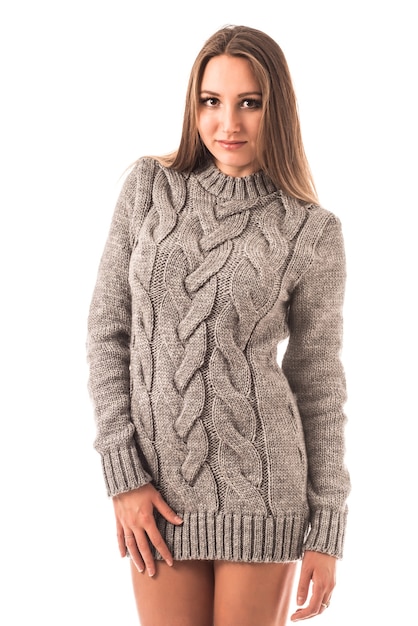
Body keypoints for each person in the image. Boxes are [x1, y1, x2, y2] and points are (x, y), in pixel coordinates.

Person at [86, 24, 351, 626]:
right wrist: (123, 476)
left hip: (263, 489)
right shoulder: (150, 189)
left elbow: (318, 384)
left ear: (276, 108)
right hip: (157, 494)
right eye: (212, 102)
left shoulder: (310, 231)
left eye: (249, 103)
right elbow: (108, 332)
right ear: (194, 105)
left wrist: (327, 526)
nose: (228, 123)